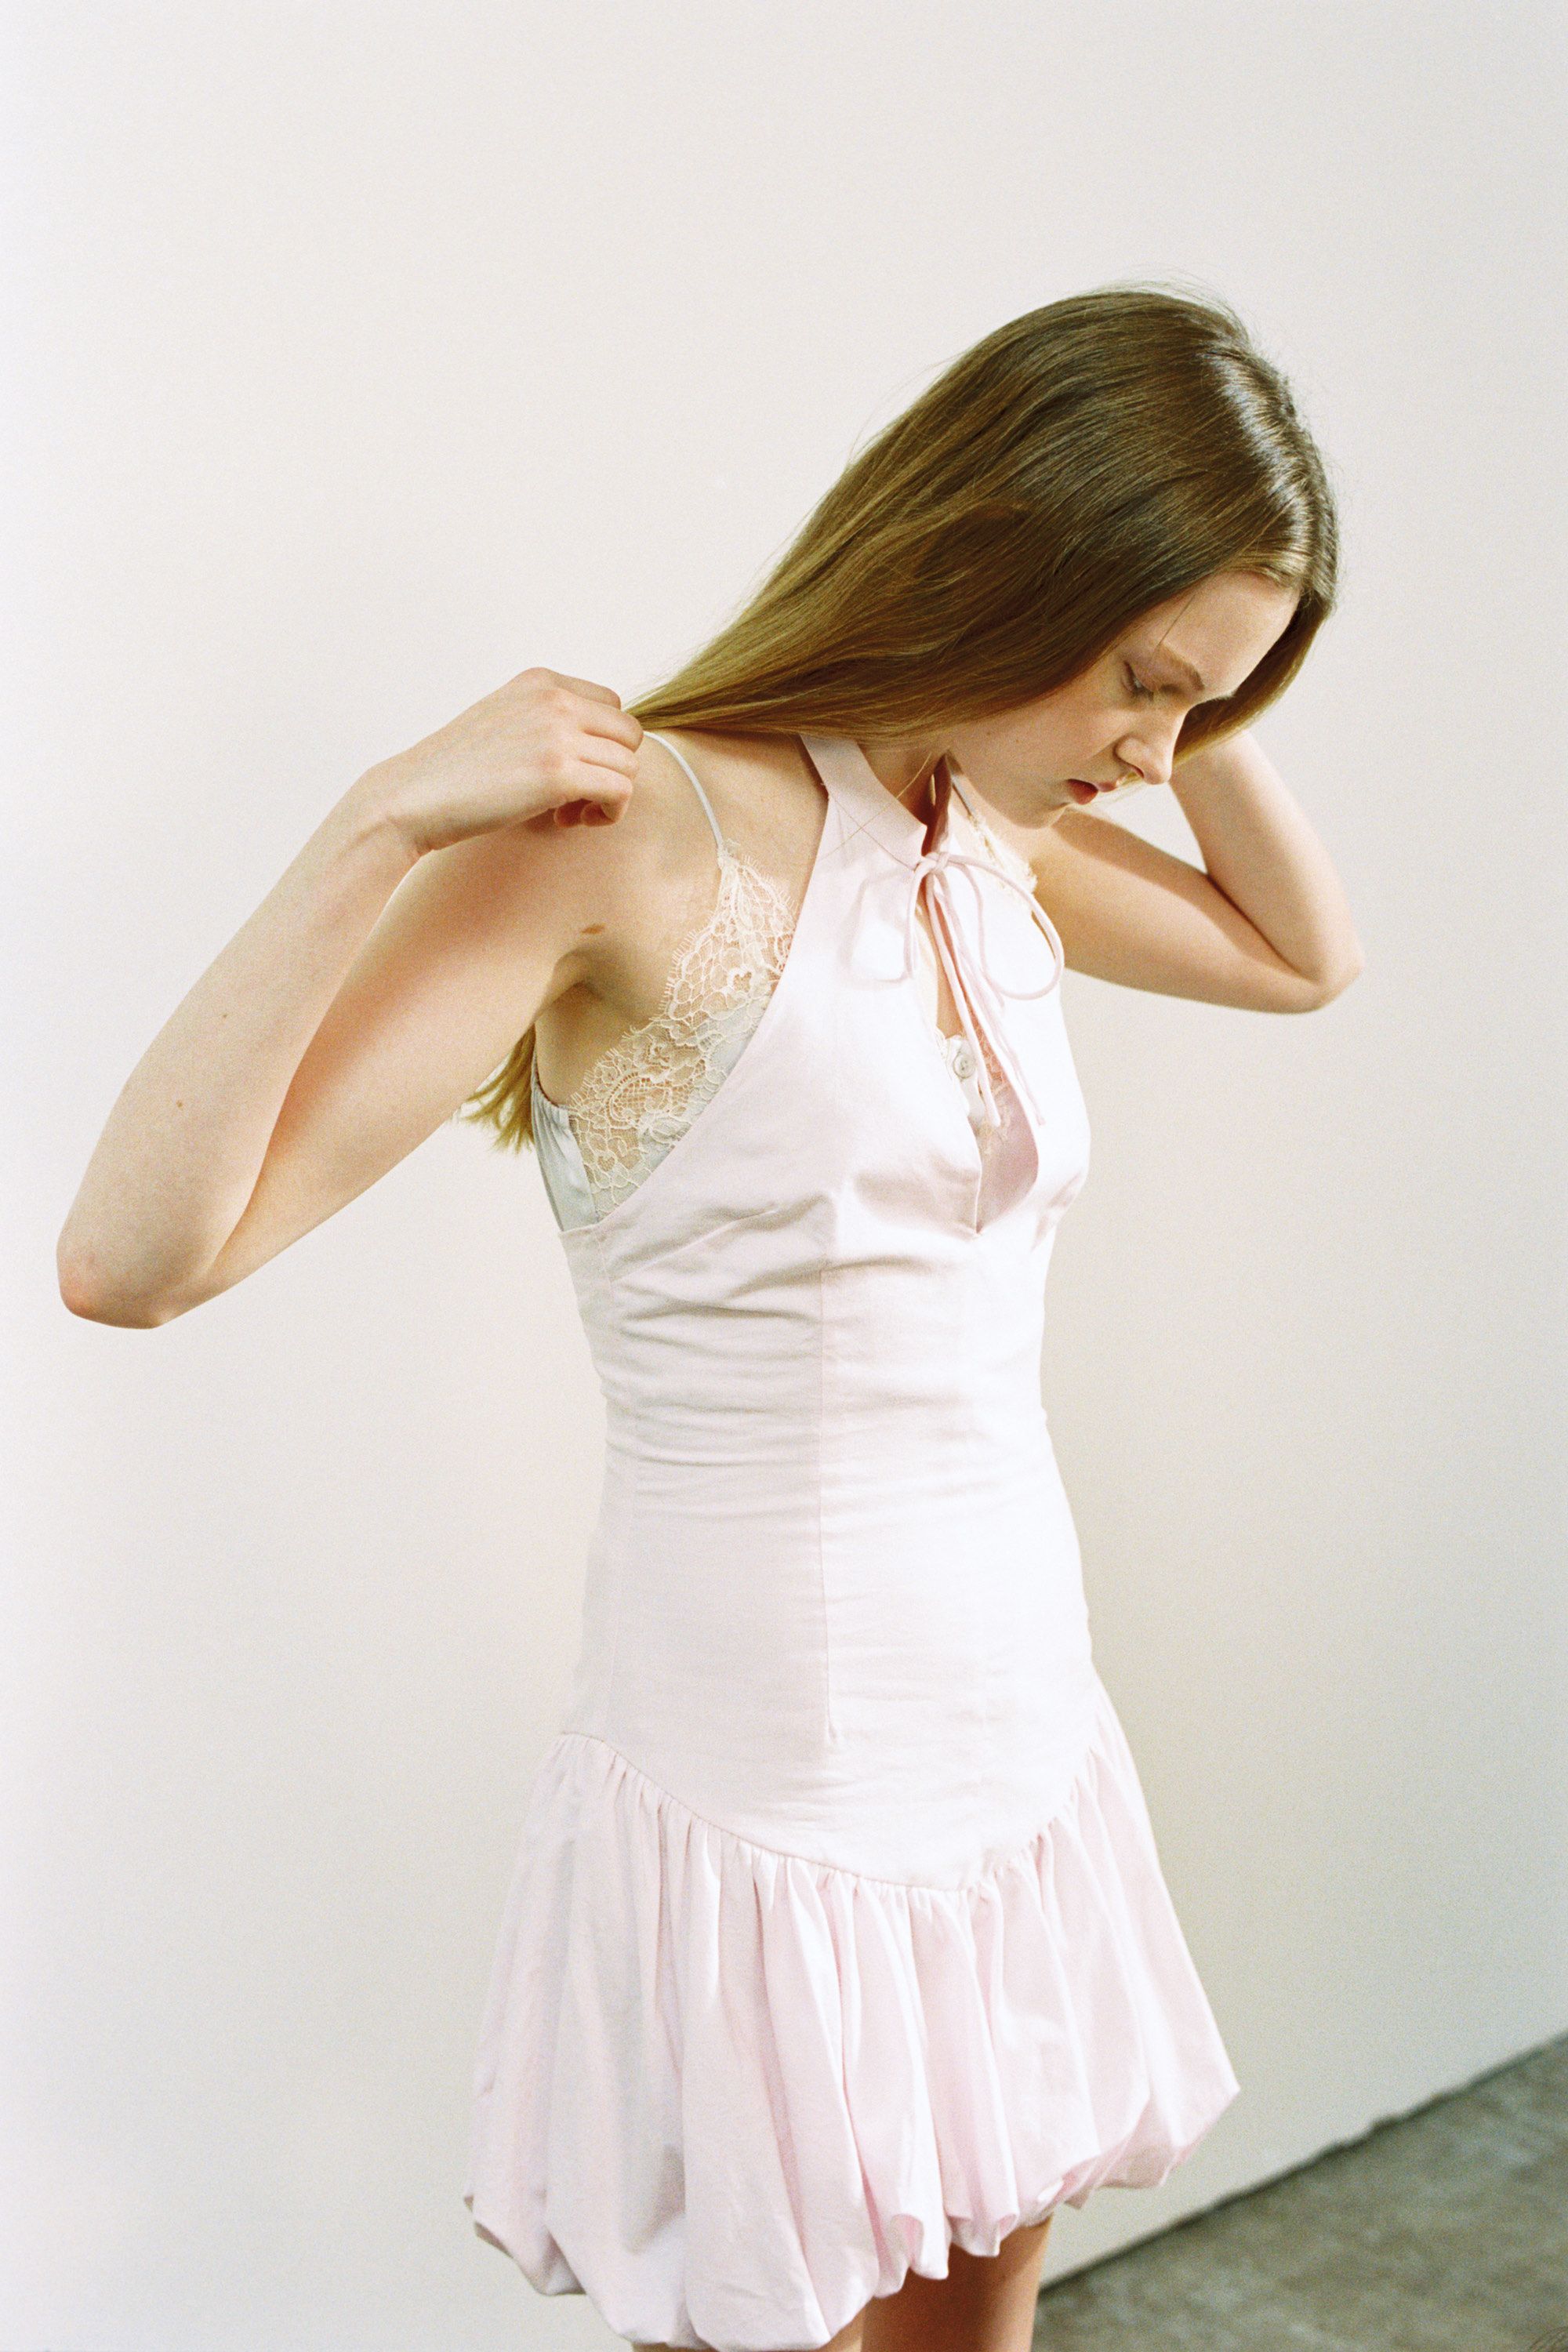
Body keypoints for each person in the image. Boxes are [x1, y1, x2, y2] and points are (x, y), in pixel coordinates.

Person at [57, 283, 1364, 2352]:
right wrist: (376, 818)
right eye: (1145, 681)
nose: (1158, 755)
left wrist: (1184, 684)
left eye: (1197, 708)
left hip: (1019, 1724)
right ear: (1007, 555)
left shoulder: (981, 836)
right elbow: (131, 1262)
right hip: (767, 1774)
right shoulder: (636, 837)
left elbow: (1302, 958)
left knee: (974, 2332)